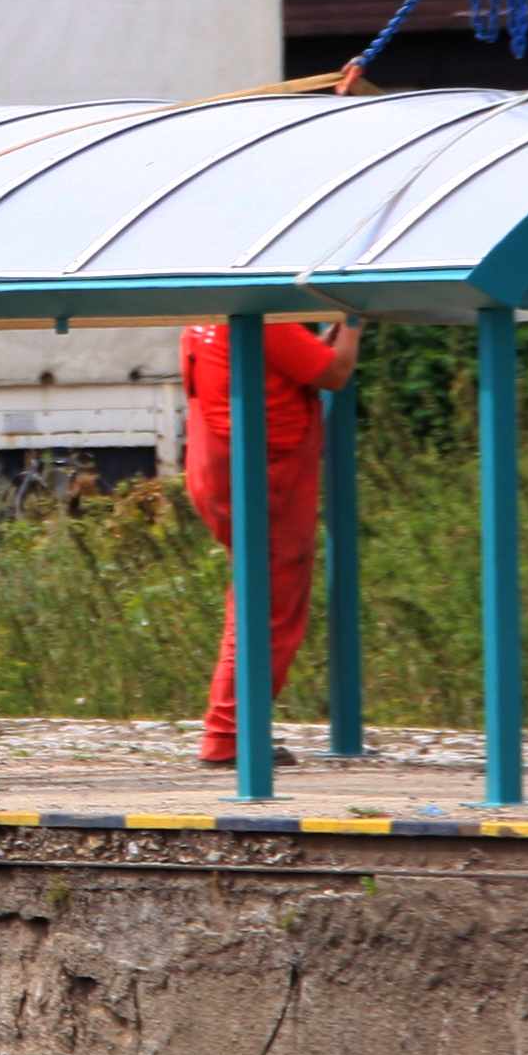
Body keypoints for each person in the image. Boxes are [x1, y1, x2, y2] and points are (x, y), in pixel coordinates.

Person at [185, 314, 358, 768]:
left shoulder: (205, 313)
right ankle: (228, 736)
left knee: (253, 597)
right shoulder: (259, 312)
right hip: (265, 478)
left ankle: (230, 731)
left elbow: (286, 364)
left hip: (218, 471)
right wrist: (356, 318)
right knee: (269, 608)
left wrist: (320, 343)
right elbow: (336, 373)